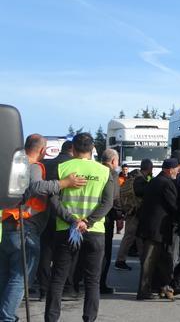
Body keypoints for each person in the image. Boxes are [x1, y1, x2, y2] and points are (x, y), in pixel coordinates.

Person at [0, 135, 85, 321]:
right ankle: (6, 318)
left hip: (9, 225)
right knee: (20, 278)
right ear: (42, 150)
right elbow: (37, 186)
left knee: (6, 276)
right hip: (25, 229)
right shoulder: (34, 166)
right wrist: (64, 183)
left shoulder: (11, 169)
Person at [45, 133, 114, 322]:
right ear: (92, 150)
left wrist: (71, 220)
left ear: (72, 149)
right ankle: (89, 319)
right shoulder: (104, 171)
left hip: (65, 229)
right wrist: (88, 222)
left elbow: (53, 199)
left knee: (58, 278)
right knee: (92, 281)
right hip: (95, 231)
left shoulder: (61, 167)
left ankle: (51, 319)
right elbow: (107, 203)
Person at [136, 158, 179, 301]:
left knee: (160, 260)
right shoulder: (166, 183)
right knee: (149, 261)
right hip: (156, 230)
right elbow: (173, 205)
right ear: (169, 169)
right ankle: (143, 291)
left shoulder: (154, 181)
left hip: (150, 228)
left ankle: (161, 287)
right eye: (176, 168)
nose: (178, 171)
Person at [37, 140, 74, 301]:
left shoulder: (46, 163)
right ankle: (66, 286)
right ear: (72, 150)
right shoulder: (73, 166)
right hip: (65, 213)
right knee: (66, 253)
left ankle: (43, 288)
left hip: (45, 212)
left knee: (45, 251)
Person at [114, 159, 152, 271]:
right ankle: (120, 261)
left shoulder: (134, 177)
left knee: (137, 238)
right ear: (149, 168)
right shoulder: (140, 180)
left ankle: (143, 261)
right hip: (135, 213)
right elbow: (143, 195)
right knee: (130, 237)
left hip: (132, 211)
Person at [99, 149, 122, 294]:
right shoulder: (112, 174)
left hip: (88, 215)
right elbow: (115, 199)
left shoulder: (95, 170)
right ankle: (101, 284)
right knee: (104, 254)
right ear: (113, 161)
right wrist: (119, 216)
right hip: (105, 218)